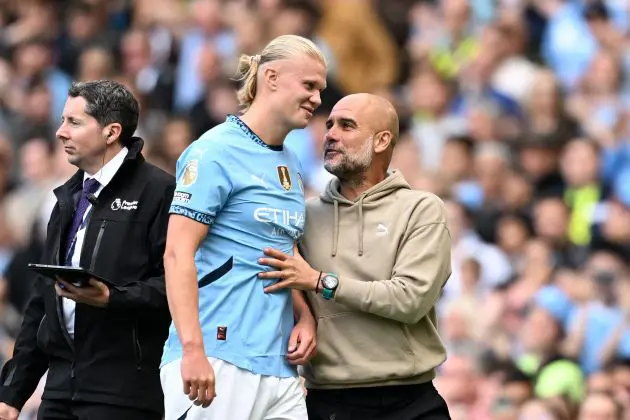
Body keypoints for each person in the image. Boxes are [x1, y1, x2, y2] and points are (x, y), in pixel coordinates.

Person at [160, 34, 326, 420]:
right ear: (270, 77)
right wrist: (193, 350)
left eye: (320, 88)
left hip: (279, 366)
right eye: (309, 85)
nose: (317, 99)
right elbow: (176, 253)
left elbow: (281, 248)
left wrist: (303, 314)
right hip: (218, 359)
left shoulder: (291, 163)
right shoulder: (213, 151)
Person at [258, 93, 453, 419]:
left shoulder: (421, 209)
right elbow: (284, 277)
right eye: (330, 124)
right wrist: (304, 312)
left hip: (409, 401)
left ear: (382, 140)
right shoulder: (301, 215)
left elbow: (410, 300)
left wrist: (320, 282)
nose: (330, 133)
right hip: (328, 402)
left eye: (346, 126)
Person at [0, 80, 175, 420]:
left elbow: (178, 286)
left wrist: (113, 296)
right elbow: (42, 302)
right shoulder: (67, 196)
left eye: (73, 122)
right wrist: (12, 393)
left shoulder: (160, 192)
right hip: (60, 388)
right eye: (62, 120)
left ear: (111, 132)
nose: (60, 132)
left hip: (124, 393)